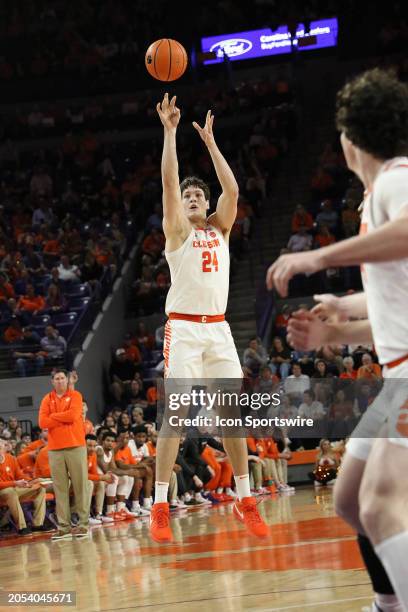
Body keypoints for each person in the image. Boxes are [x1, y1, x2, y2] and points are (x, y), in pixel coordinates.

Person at [267, 69, 408, 612]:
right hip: (397, 375)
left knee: (378, 507)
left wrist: (319, 257)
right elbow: (393, 311)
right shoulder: (378, 196)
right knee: (350, 498)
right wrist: (336, 325)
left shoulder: (395, 181)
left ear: (350, 139)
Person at [150, 93, 269, 542]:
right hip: (182, 328)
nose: (194, 196)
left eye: (199, 193)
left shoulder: (219, 228)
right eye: (189, 195)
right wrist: (170, 132)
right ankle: (160, 505)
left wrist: (213, 143)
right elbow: (168, 182)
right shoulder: (177, 230)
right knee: (175, 417)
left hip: (218, 329)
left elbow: (234, 191)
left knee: (232, 416)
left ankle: (245, 499)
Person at [38, 369, 89, 540]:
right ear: (52, 382)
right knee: (60, 489)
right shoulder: (47, 399)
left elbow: (73, 415)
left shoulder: (75, 396)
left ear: (67, 380)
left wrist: (53, 417)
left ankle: (83, 525)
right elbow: (42, 422)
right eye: (57, 379)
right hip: (55, 449)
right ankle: (64, 527)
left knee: (80, 485)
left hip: (76, 446)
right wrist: (62, 417)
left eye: (62, 378)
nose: (60, 381)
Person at [0, 438, 53, 536]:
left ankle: (37, 525)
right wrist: (15, 483)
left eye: (1, 447)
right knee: (11, 491)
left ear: (4, 448)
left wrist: (30, 481)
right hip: (3, 492)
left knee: (40, 487)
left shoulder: (11, 458)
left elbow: (19, 476)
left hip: (14, 489)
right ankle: (22, 527)